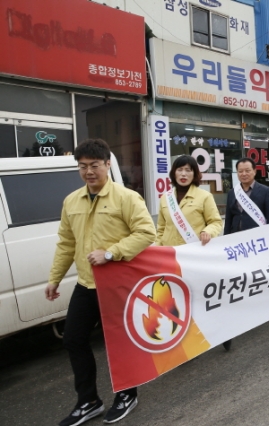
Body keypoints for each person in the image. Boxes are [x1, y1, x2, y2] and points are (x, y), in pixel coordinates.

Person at [46, 139, 156, 426]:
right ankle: (88, 401)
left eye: (94, 165)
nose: (89, 172)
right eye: (82, 166)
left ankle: (127, 394)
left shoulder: (127, 198)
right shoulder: (71, 201)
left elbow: (146, 233)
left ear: (108, 164)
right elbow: (66, 243)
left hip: (118, 284)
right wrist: (54, 278)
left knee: (119, 343)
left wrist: (111, 252)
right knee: (73, 340)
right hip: (86, 284)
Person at [156, 156, 224, 347]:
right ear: (173, 172)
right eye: (180, 170)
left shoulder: (204, 196)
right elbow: (161, 229)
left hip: (196, 257)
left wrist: (207, 232)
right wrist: (156, 250)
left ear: (194, 173)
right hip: (172, 258)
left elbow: (216, 222)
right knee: (178, 300)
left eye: (188, 170)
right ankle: (187, 341)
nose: (183, 174)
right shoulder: (165, 198)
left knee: (200, 299)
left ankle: (222, 331)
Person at [222, 157, 269, 348]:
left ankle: (259, 307)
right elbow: (229, 218)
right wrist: (225, 241)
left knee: (255, 275)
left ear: (254, 171)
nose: (243, 174)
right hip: (236, 242)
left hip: (256, 243)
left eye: (247, 170)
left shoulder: (266, 191)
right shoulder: (232, 193)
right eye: (240, 171)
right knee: (239, 277)